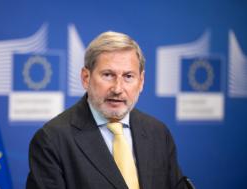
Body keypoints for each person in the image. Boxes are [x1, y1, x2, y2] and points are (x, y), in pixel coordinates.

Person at [26, 31, 186, 189]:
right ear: (85, 78)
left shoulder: (157, 132)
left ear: (141, 81)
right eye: (108, 75)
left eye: (128, 76)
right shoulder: (52, 140)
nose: (117, 88)